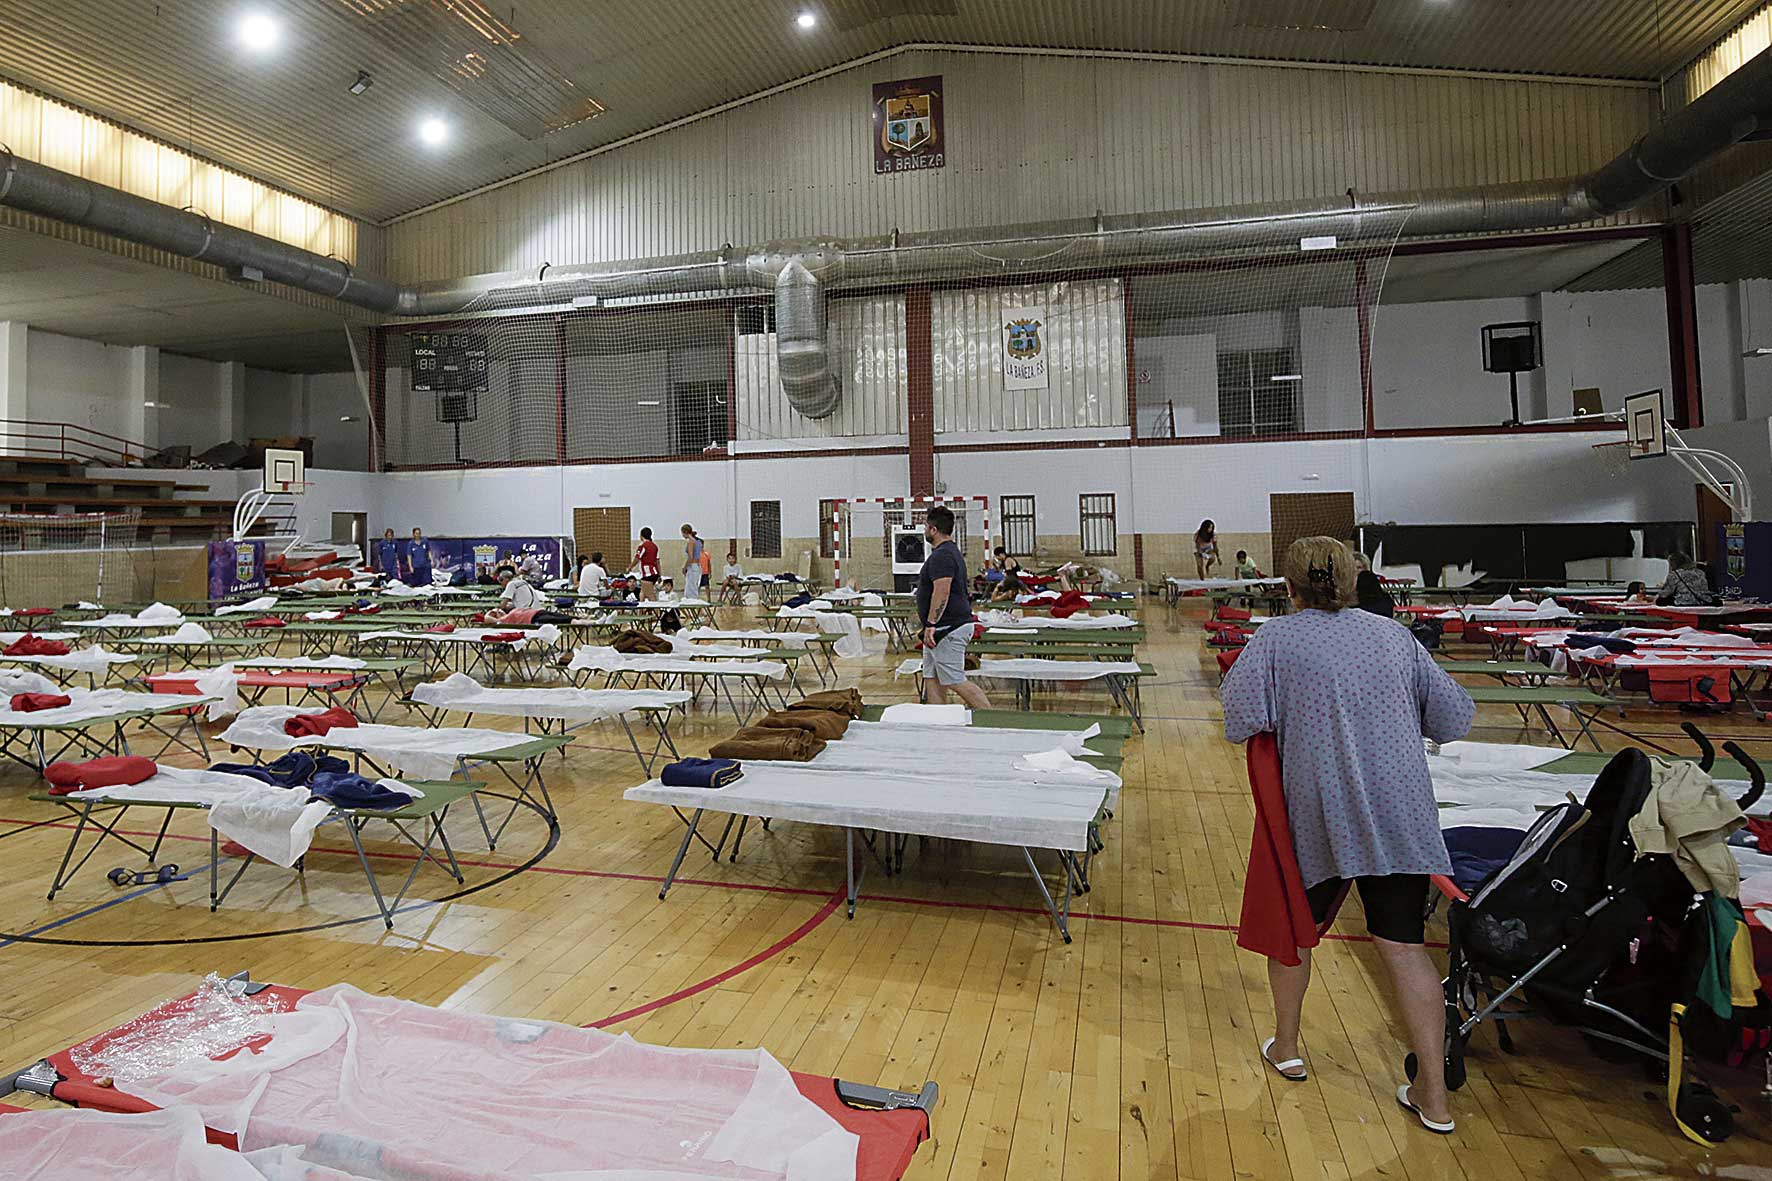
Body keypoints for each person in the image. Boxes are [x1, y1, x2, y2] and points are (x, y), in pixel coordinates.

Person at [1220, 536, 1474, 1135]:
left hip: (1320, 812)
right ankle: (1433, 1097)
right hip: (1399, 812)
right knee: (1404, 946)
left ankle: (1287, 1047)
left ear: (1289, 588)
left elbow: (1239, 718)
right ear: (1354, 581)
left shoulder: (1276, 639)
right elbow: (1454, 717)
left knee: (1296, 933)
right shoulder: (1395, 636)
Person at [916, 505, 991, 709]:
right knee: (932, 678)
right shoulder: (947, 552)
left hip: (947, 628)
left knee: (954, 679)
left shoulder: (943, 555)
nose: (924, 530)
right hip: (939, 630)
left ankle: (992, 719)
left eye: (925, 526)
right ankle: (939, 722)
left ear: (933, 529)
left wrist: (931, 623)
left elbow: (942, 590)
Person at [680, 525, 708, 600]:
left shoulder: (691, 542)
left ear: (684, 532)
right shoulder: (698, 541)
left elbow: (690, 557)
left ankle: (692, 602)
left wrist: (685, 567)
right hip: (697, 566)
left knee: (690, 589)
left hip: (692, 566)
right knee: (694, 587)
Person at [634, 528, 661, 601]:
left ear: (641, 536)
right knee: (642, 592)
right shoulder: (655, 546)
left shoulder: (643, 546)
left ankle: (657, 608)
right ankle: (641, 607)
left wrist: (630, 567)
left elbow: (637, 558)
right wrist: (659, 574)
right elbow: (657, 562)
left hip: (647, 573)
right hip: (654, 573)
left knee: (650, 595)